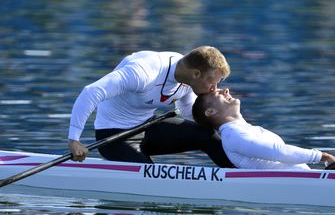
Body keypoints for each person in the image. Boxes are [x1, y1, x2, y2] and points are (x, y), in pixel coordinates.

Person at [68, 46, 234, 168]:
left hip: (147, 126)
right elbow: (91, 92)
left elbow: (187, 112)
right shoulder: (143, 72)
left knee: (208, 136)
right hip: (113, 136)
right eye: (213, 82)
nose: (214, 87)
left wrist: (229, 128)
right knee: (152, 174)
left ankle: (244, 175)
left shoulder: (188, 76)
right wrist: (74, 140)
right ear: (196, 74)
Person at [192, 88, 335, 170]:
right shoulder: (233, 136)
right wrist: (324, 156)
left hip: (301, 181)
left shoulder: (245, 130)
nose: (226, 90)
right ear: (210, 112)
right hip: (292, 185)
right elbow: (279, 153)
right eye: (217, 93)